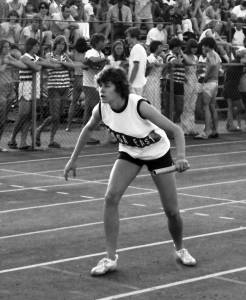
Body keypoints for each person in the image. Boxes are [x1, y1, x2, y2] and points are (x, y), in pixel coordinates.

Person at [64, 66, 197, 276]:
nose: (101, 90)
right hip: (130, 153)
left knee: (171, 211)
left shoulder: (139, 106)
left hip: (158, 154)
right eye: (100, 85)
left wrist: (180, 157)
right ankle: (110, 258)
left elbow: (176, 130)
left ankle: (180, 248)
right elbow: (87, 129)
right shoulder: (101, 108)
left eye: (107, 86)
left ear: (119, 88)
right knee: (110, 198)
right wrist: (72, 160)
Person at [36, 35, 71, 148]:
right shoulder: (48, 55)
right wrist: (62, 65)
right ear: (55, 44)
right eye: (59, 43)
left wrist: (63, 65)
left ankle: (52, 140)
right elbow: (51, 66)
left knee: (59, 115)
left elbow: (72, 67)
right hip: (54, 87)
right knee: (54, 115)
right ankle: (39, 129)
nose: (61, 46)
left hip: (65, 87)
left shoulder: (65, 55)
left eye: (63, 44)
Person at [0, 40, 27, 151]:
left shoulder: (8, 57)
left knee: (3, 119)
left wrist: (11, 60)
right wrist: (6, 63)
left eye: (8, 47)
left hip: (10, 89)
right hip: (0, 89)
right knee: (0, 119)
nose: (7, 49)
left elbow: (23, 65)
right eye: (5, 47)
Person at [195, 37, 221, 139]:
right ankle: (215, 130)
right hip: (215, 82)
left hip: (209, 83)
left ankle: (206, 132)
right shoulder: (217, 54)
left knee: (206, 107)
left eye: (204, 45)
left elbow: (213, 65)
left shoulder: (210, 54)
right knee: (212, 107)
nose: (202, 47)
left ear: (207, 45)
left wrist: (205, 77)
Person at [180, 39, 199, 136]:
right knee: (186, 105)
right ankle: (184, 128)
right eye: (193, 47)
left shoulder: (195, 57)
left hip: (195, 81)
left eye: (196, 47)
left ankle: (191, 127)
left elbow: (196, 70)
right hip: (187, 82)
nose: (195, 49)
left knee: (192, 106)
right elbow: (181, 69)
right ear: (189, 47)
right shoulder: (184, 57)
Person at [143, 40, 164, 112]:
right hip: (150, 81)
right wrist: (150, 66)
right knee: (150, 100)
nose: (162, 48)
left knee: (157, 101)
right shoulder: (149, 58)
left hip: (157, 81)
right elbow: (145, 72)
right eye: (160, 46)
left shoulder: (160, 58)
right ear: (156, 47)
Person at [126, 26, 147, 96]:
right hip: (139, 84)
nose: (127, 38)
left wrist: (130, 83)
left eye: (128, 36)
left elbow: (136, 66)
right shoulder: (139, 47)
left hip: (135, 85)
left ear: (133, 37)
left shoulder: (136, 48)